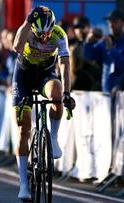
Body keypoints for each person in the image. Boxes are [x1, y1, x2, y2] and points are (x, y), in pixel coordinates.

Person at [12, 5, 76, 200]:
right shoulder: (27, 30)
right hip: (24, 75)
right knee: (24, 128)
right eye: (39, 34)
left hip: (46, 75)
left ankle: (53, 137)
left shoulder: (59, 34)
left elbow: (64, 64)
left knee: (56, 94)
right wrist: (25, 23)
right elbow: (16, 47)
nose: (44, 38)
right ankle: (24, 184)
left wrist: (66, 93)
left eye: (47, 33)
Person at [84, 8, 124, 93]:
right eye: (109, 21)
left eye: (114, 21)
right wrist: (88, 42)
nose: (111, 25)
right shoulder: (106, 41)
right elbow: (88, 57)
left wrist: (111, 49)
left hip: (123, 94)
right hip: (106, 93)